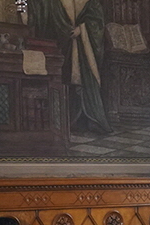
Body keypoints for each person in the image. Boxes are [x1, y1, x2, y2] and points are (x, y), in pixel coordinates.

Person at [30, 0, 113, 134]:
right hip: (66, 47)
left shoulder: (90, 2)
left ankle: (92, 121)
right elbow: (45, 13)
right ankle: (71, 122)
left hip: (85, 51)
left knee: (86, 83)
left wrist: (82, 29)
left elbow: (97, 21)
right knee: (68, 82)